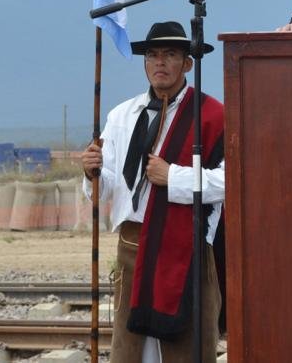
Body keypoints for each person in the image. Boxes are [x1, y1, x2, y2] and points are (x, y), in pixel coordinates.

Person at [81, 21, 226, 361]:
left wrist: (172, 177)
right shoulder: (122, 115)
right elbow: (109, 189)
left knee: (188, 349)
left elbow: (230, 181)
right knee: (131, 351)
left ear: (187, 63)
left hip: (188, 249)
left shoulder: (212, 116)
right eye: (152, 55)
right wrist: (92, 173)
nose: (159, 62)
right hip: (132, 247)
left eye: (170, 54)